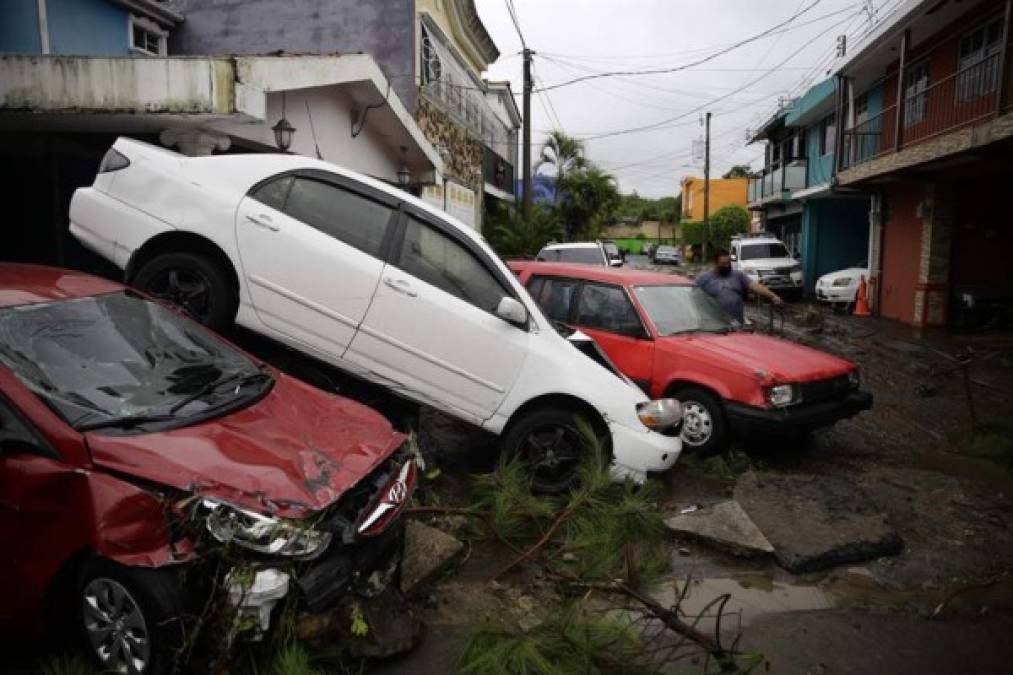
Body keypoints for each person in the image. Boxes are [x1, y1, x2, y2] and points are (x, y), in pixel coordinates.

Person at [695, 248, 783, 323]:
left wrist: (773, 296)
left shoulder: (738, 275)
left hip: (736, 322)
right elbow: (693, 296)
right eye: (723, 264)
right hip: (714, 323)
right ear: (715, 262)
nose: (726, 266)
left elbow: (754, 286)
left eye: (728, 263)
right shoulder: (704, 278)